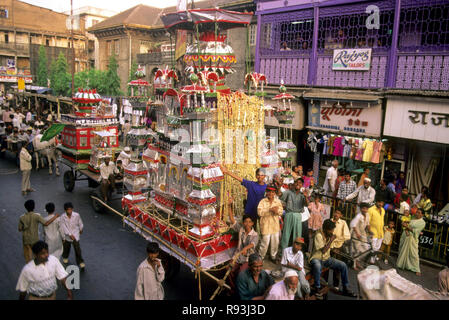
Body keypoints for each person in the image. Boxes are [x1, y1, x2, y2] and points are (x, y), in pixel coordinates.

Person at [309, 219, 356, 297]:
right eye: (331, 230)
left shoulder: (328, 235)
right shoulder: (318, 235)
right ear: (325, 229)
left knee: (343, 265)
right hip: (316, 258)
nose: (332, 232)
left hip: (327, 259)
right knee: (317, 266)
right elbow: (324, 250)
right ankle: (317, 287)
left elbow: (330, 248)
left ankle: (345, 287)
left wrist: (335, 249)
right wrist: (331, 240)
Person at [228, 213, 259, 292]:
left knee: (241, 273)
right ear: (243, 222)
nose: (247, 224)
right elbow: (232, 220)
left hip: (248, 258)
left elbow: (253, 244)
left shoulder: (255, 235)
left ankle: (242, 289)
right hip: (237, 256)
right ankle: (233, 288)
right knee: (229, 269)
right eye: (245, 221)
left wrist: (245, 248)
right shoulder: (241, 229)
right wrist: (229, 205)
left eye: (249, 222)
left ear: (252, 223)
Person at [396, 208, 426, 276]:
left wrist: (406, 226)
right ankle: (403, 264)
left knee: (414, 254)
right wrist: (404, 224)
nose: (417, 214)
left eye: (419, 213)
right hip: (405, 235)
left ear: (422, 214)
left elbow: (416, 231)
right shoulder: (412, 218)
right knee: (402, 250)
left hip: (412, 238)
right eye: (417, 212)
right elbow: (407, 222)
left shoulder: (422, 222)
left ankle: (416, 269)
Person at [257, 185, 283, 261]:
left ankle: (273, 256)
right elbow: (259, 212)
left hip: (275, 225)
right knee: (265, 242)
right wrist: (269, 210)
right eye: (269, 191)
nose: (270, 193)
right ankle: (261, 257)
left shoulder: (277, 201)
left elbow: (281, 211)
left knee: (275, 242)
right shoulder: (262, 201)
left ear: (274, 193)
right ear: (266, 192)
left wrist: (277, 211)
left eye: (272, 192)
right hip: (265, 225)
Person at [280, 178, 306, 251]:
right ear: (294, 183)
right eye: (296, 182)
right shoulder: (288, 192)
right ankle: (283, 252)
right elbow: (280, 196)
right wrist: (279, 187)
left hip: (298, 215)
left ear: (302, 185)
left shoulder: (302, 195)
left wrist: (306, 196)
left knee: (297, 235)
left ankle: (295, 252)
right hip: (289, 214)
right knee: (286, 234)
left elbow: (306, 204)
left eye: (300, 183)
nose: (298, 184)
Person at [330, 208, 351, 291]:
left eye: (338, 213)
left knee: (337, 267)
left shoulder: (343, 223)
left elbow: (347, 236)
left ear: (341, 215)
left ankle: (336, 285)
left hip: (338, 247)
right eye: (335, 212)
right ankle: (324, 283)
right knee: (326, 265)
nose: (336, 214)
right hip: (328, 246)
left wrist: (337, 239)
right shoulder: (329, 221)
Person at [59, 202, 85, 269]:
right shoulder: (62, 217)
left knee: (77, 249)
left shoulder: (76, 215)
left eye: (70, 209)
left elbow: (80, 223)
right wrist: (69, 234)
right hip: (67, 236)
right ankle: (65, 256)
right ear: (65, 210)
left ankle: (80, 262)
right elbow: (63, 227)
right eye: (68, 210)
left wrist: (81, 228)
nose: (69, 211)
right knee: (66, 247)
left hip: (75, 234)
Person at [350, 203, 372, 270]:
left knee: (366, 248)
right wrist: (357, 233)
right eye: (363, 208)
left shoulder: (367, 215)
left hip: (363, 233)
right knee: (357, 250)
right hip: (356, 233)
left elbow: (368, 224)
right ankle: (354, 265)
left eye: (366, 208)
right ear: (360, 209)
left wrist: (370, 232)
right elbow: (353, 225)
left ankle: (357, 261)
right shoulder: (358, 216)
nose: (364, 210)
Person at [367, 197, 386, 264]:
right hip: (373, 232)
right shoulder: (370, 210)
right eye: (379, 202)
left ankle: (373, 261)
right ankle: (371, 262)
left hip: (380, 233)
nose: (380, 204)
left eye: (382, 202)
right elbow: (367, 222)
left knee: (377, 248)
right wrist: (369, 232)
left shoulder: (383, 210)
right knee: (373, 248)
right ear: (376, 202)